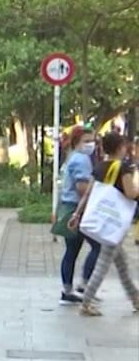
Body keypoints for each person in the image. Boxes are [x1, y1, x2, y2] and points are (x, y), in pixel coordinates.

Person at [70, 132, 139, 316]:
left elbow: (87, 194)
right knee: (103, 263)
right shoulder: (123, 168)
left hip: (104, 220)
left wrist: (77, 214)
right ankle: (86, 302)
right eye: (125, 146)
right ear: (120, 148)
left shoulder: (99, 167)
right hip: (115, 223)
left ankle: (135, 298)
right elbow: (131, 193)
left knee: (121, 264)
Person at [54, 126, 99, 304]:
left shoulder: (72, 157)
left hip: (68, 207)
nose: (91, 145)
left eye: (93, 140)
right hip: (77, 209)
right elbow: (82, 188)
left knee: (71, 251)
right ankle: (84, 284)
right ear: (76, 142)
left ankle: (68, 290)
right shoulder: (81, 159)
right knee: (99, 246)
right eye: (86, 141)